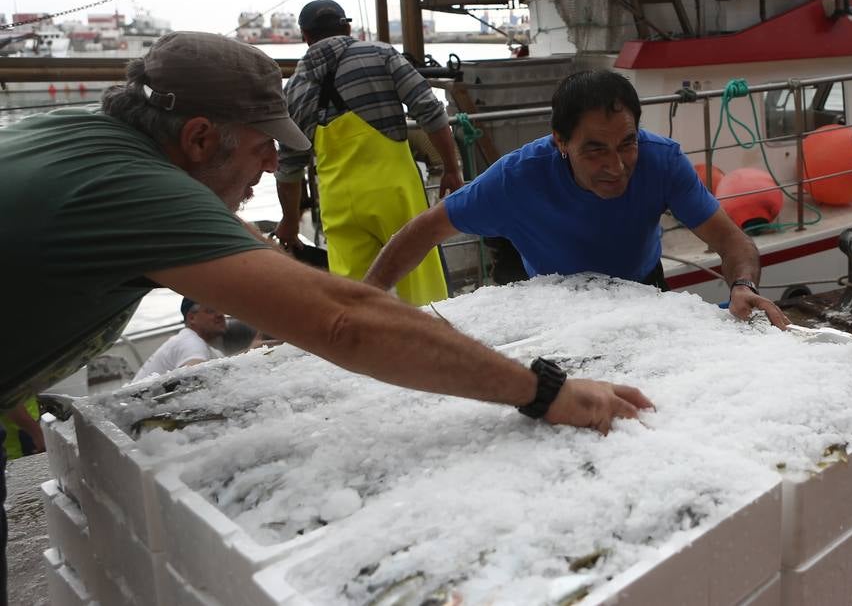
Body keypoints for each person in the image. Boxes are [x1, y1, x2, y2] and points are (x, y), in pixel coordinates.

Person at [1, 32, 651, 573]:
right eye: (262, 151)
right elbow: (343, 322)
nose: (264, 174)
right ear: (199, 139)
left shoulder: (81, 139)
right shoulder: (137, 194)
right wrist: (544, 392)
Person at [365, 70, 791, 330]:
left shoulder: (662, 160)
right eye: (595, 150)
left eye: (627, 143)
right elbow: (424, 229)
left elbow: (733, 242)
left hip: (642, 290)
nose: (617, 165)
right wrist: (365, 301)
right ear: (560, 142)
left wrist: (742, 285)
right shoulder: (516, 178)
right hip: (556, 306)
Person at [274, 0, 461, 306]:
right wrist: (451, 169)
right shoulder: (380, 53)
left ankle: (366, 350)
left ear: (305, 36)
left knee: (355, 299)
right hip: (394, 194)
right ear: (347, 27)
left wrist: (290, 221)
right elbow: (429, 111)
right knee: (423, 287)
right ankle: (433, 342)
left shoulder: (293, 88)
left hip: (338, 203)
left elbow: (289, 167)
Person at [131, 299, 228, 382]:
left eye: (221, 309)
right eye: (210, 311)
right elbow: (192, 380)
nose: (220, 314)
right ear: (192, 318)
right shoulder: (191, 342)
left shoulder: (198, 343)